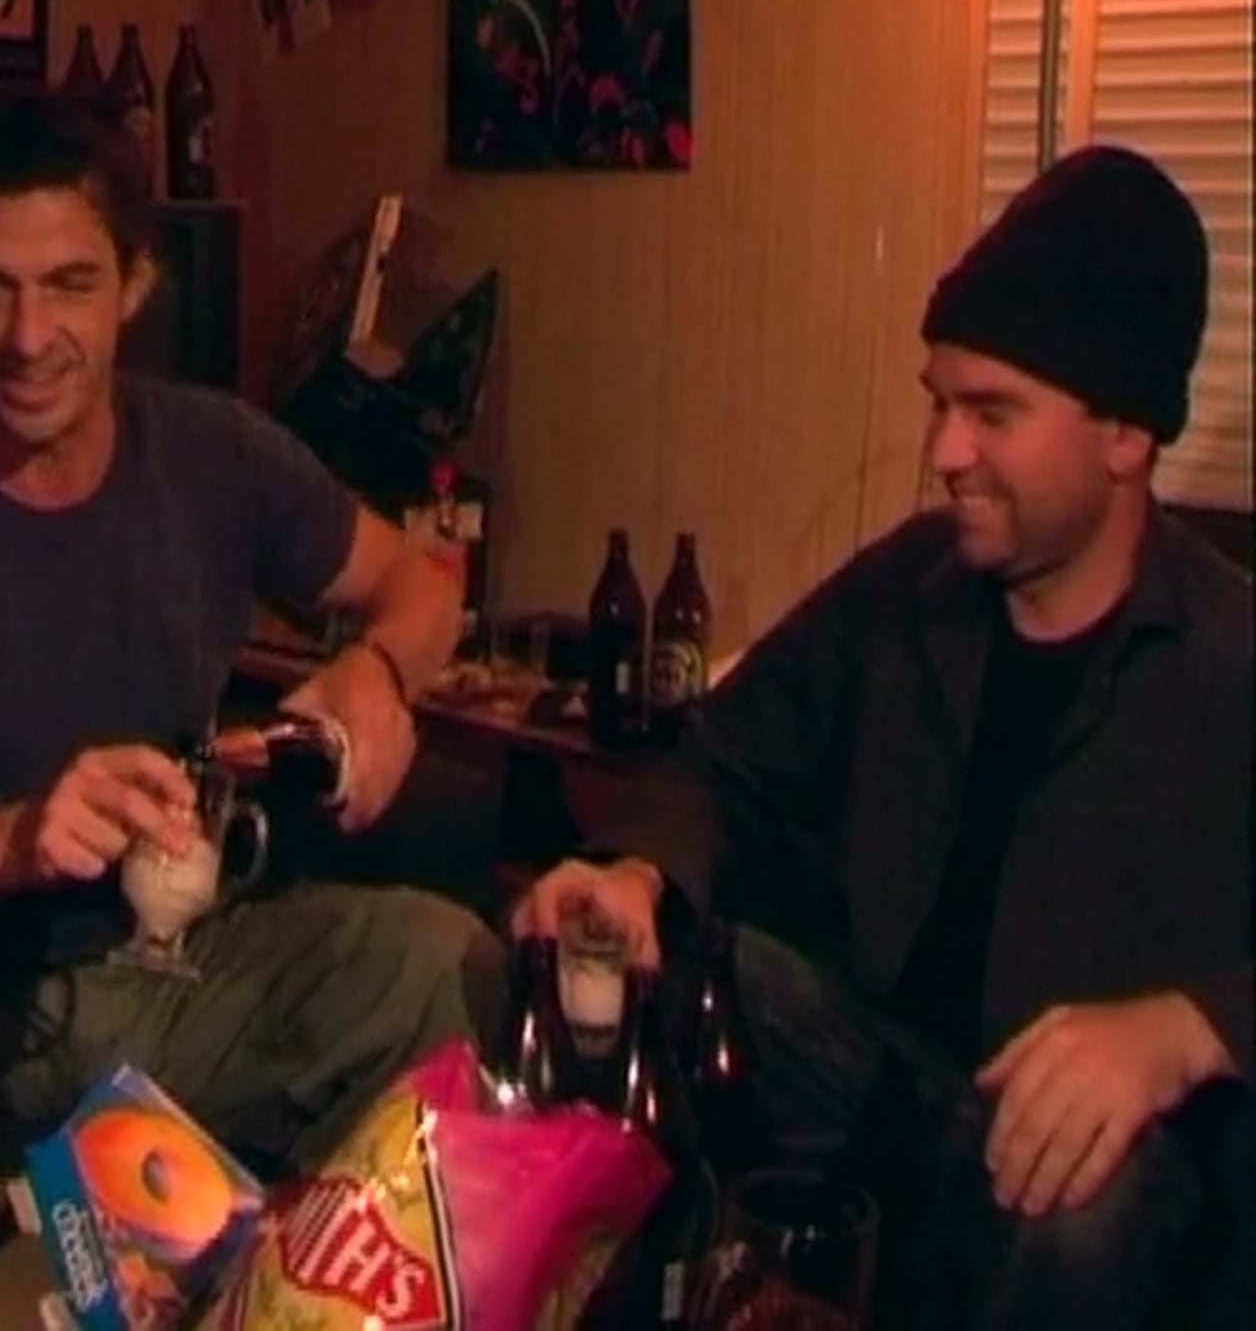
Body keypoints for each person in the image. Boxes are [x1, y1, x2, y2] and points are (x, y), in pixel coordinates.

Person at [0, 92, 501, 1294]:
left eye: (69, 284)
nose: (29, 338)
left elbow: (421, 587)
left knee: (442, 957)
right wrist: (10, 841)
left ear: (134, 283)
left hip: (180, 959)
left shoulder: (217, 453)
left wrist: (379, 672)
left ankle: (297, 1308)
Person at [517, 144, 1252, 1327]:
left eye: (992, 412)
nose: (945, 451)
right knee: (600, 965)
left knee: (1089, 1198)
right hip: (875, 1078)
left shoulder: (1228, 658)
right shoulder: (911, 587)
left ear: (1126, 434)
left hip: (1079, 1163)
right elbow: (724, 760)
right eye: (940, 404)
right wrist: (637, 874)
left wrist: (1186, 1027)